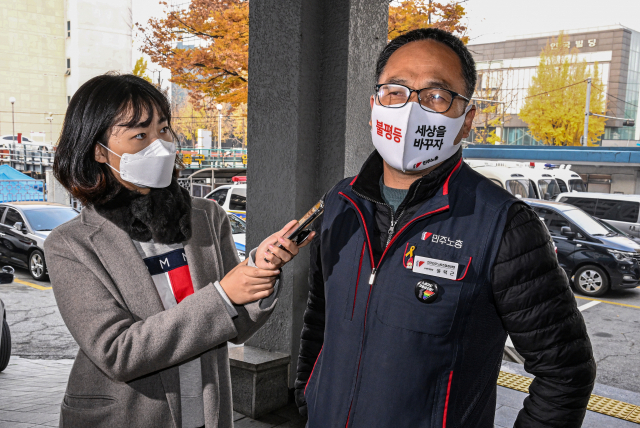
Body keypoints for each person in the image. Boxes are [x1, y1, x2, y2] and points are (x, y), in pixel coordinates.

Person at [294, 28, 596, 428]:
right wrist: (306, 398)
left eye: (436, 96)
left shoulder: (504, 225)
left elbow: (565, 371)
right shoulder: (339, 203)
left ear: (467, 119)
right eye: (396, 91)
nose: (411, 109)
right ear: (375, 105)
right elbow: (320, 319)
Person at [45, 73, 312, 428]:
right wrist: (223, 295)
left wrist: (259, 273)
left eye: (164, 129)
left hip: (205, 412)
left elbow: (236, 327)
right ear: (98, 150)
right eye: (140, 135)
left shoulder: (205, 217)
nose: (160, 144)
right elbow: (118, 352)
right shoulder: (70, 245)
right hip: (122, 417)